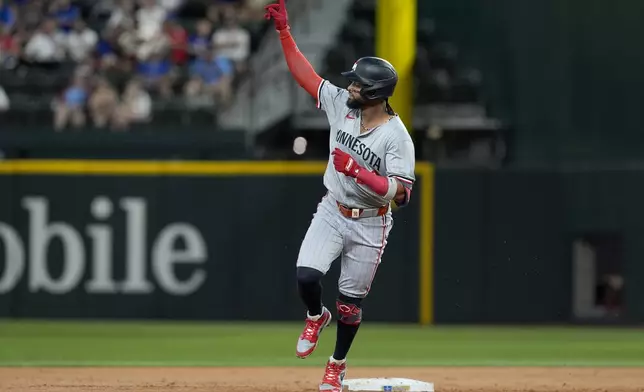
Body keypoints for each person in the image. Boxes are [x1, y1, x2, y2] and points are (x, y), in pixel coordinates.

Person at [264, 1, 416, 392]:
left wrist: (360, 173)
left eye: (357, 85)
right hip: (333, 209)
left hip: (371, 221)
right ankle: (315, 316)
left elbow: (402, 194)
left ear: (376, 93)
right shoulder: (342, 107)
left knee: (350, 305)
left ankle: (337, 363)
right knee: (306, 276)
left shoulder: (396, 137)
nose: (349, 87)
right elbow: (305, 75)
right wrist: (284, 32)